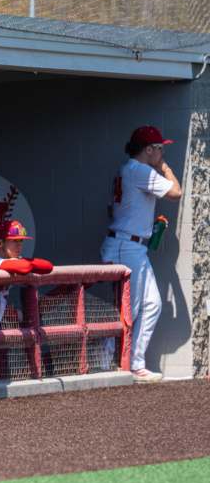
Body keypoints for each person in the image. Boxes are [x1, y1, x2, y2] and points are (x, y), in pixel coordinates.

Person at [100, 125, 181, 383]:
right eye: (159, 148)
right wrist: (164, 167)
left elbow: (112, 210)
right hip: (126, 246)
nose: (162, 152)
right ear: (148, 150)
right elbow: (175, 193)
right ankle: (105, 363)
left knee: (151, 305)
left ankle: (134, 363)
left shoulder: (127, 169)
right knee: (128, 308)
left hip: (130, 244)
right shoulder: (140, 170)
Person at [0, 220, 54, 332]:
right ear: (0, 243)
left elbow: (48, 266)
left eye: (21, 241)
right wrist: (22, 262)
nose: (19, 245)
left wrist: (22, 261)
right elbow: (25, 267)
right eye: (14, 241)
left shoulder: (13, 260)